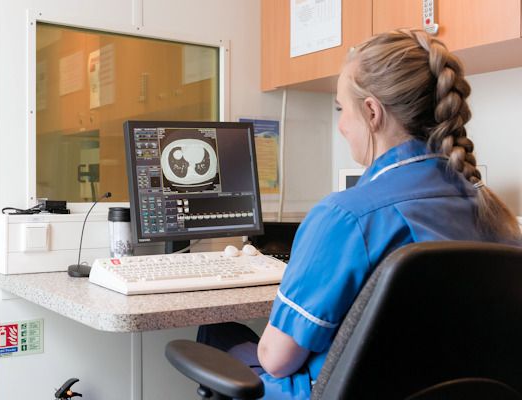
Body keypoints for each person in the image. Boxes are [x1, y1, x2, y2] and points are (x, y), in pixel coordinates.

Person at [197, 28, 522, 399]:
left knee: (216, 332)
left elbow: (276, 359)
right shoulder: (494, 213)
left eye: (341, 108)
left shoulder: (346, 217)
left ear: (371, 111)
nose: (341, 125)